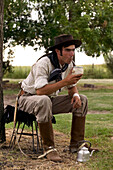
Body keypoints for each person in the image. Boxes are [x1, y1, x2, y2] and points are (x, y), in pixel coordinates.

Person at [18, 34, 88, 162]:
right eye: (68, 50)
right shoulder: (44, 63)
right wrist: (65, 82)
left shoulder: (70, 65)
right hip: (27, 98)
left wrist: (76, 96)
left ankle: (77, 145)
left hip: (47, 100)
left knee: (82, 100)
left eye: (73, 50)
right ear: (58, 51)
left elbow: (72, 87)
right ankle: (49, 148)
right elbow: (40, 91)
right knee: (44, 100)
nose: (71, 53)